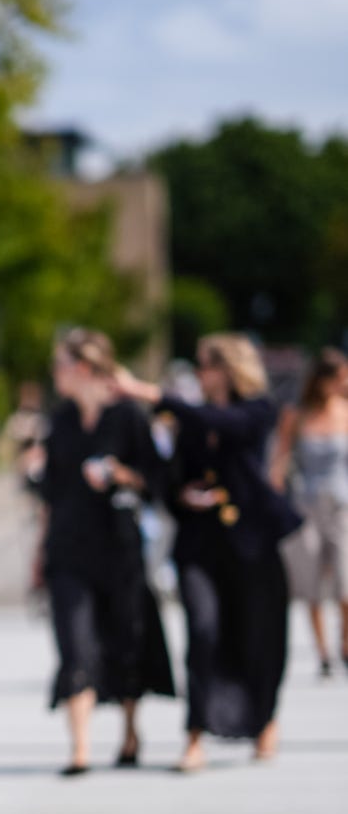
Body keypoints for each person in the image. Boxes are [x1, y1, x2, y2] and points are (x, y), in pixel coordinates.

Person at [115, 334, 296, 771]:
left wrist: (154, 393)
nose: (199, 374)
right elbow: (171, 476)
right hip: (199, 545)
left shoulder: (258, 410)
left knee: (257, 634)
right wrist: (184, 495)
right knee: (203, 630)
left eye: (205, 365)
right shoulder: (192, 421)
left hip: (253, 544)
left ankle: (264, 720)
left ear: (228, 368)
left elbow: (229, 425)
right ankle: (194, 737)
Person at [28, 328, 174, 774]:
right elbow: (49, 493)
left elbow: (157, 480)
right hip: (68, 548)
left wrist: (120, 474)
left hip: (119, 548)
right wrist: (40, 551)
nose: (55, 374)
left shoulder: (128, 416)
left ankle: (130, 732)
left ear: (84, 368)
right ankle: (81, 749)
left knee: (126, 638)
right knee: (74, 643)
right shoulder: (61, 420)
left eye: (61, 365)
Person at [270, 348, 348, 676]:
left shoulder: (345, 412)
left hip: (343, 505)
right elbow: (281, 457)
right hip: (306, 505)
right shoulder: (297, 415)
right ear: (323, 381)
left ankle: (344, 640)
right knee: (312, 583)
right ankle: (323, 653)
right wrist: (274, 496)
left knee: (346, 582)